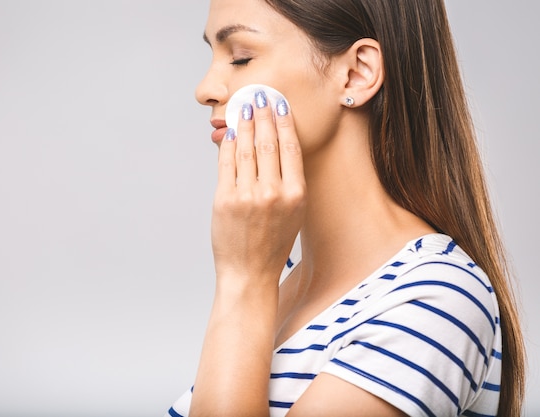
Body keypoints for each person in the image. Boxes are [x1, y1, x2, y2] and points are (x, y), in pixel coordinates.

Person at [166, 0, 526, 416]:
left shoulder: (436, 299)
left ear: (357, 74)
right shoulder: (279, 280)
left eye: (241, 57)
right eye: (212, 53)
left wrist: (242, 282)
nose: (205, 88)